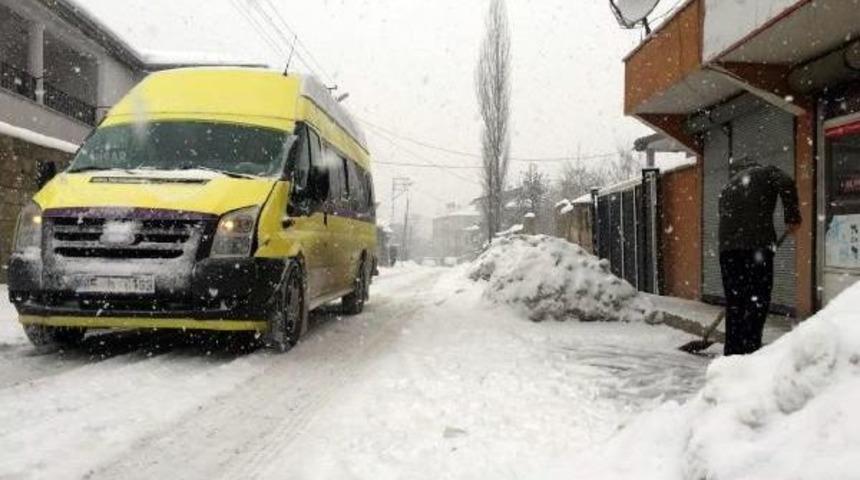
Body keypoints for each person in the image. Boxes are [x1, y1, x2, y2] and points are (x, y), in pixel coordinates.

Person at [718, 157, 801, 356]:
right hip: (756, 246)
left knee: (736, 302)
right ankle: (751, 351)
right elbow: (787, 182)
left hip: (727, 250)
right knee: (758, 298)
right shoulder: (767, 171)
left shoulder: (728, 186)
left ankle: (732, 352)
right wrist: (792, 217)